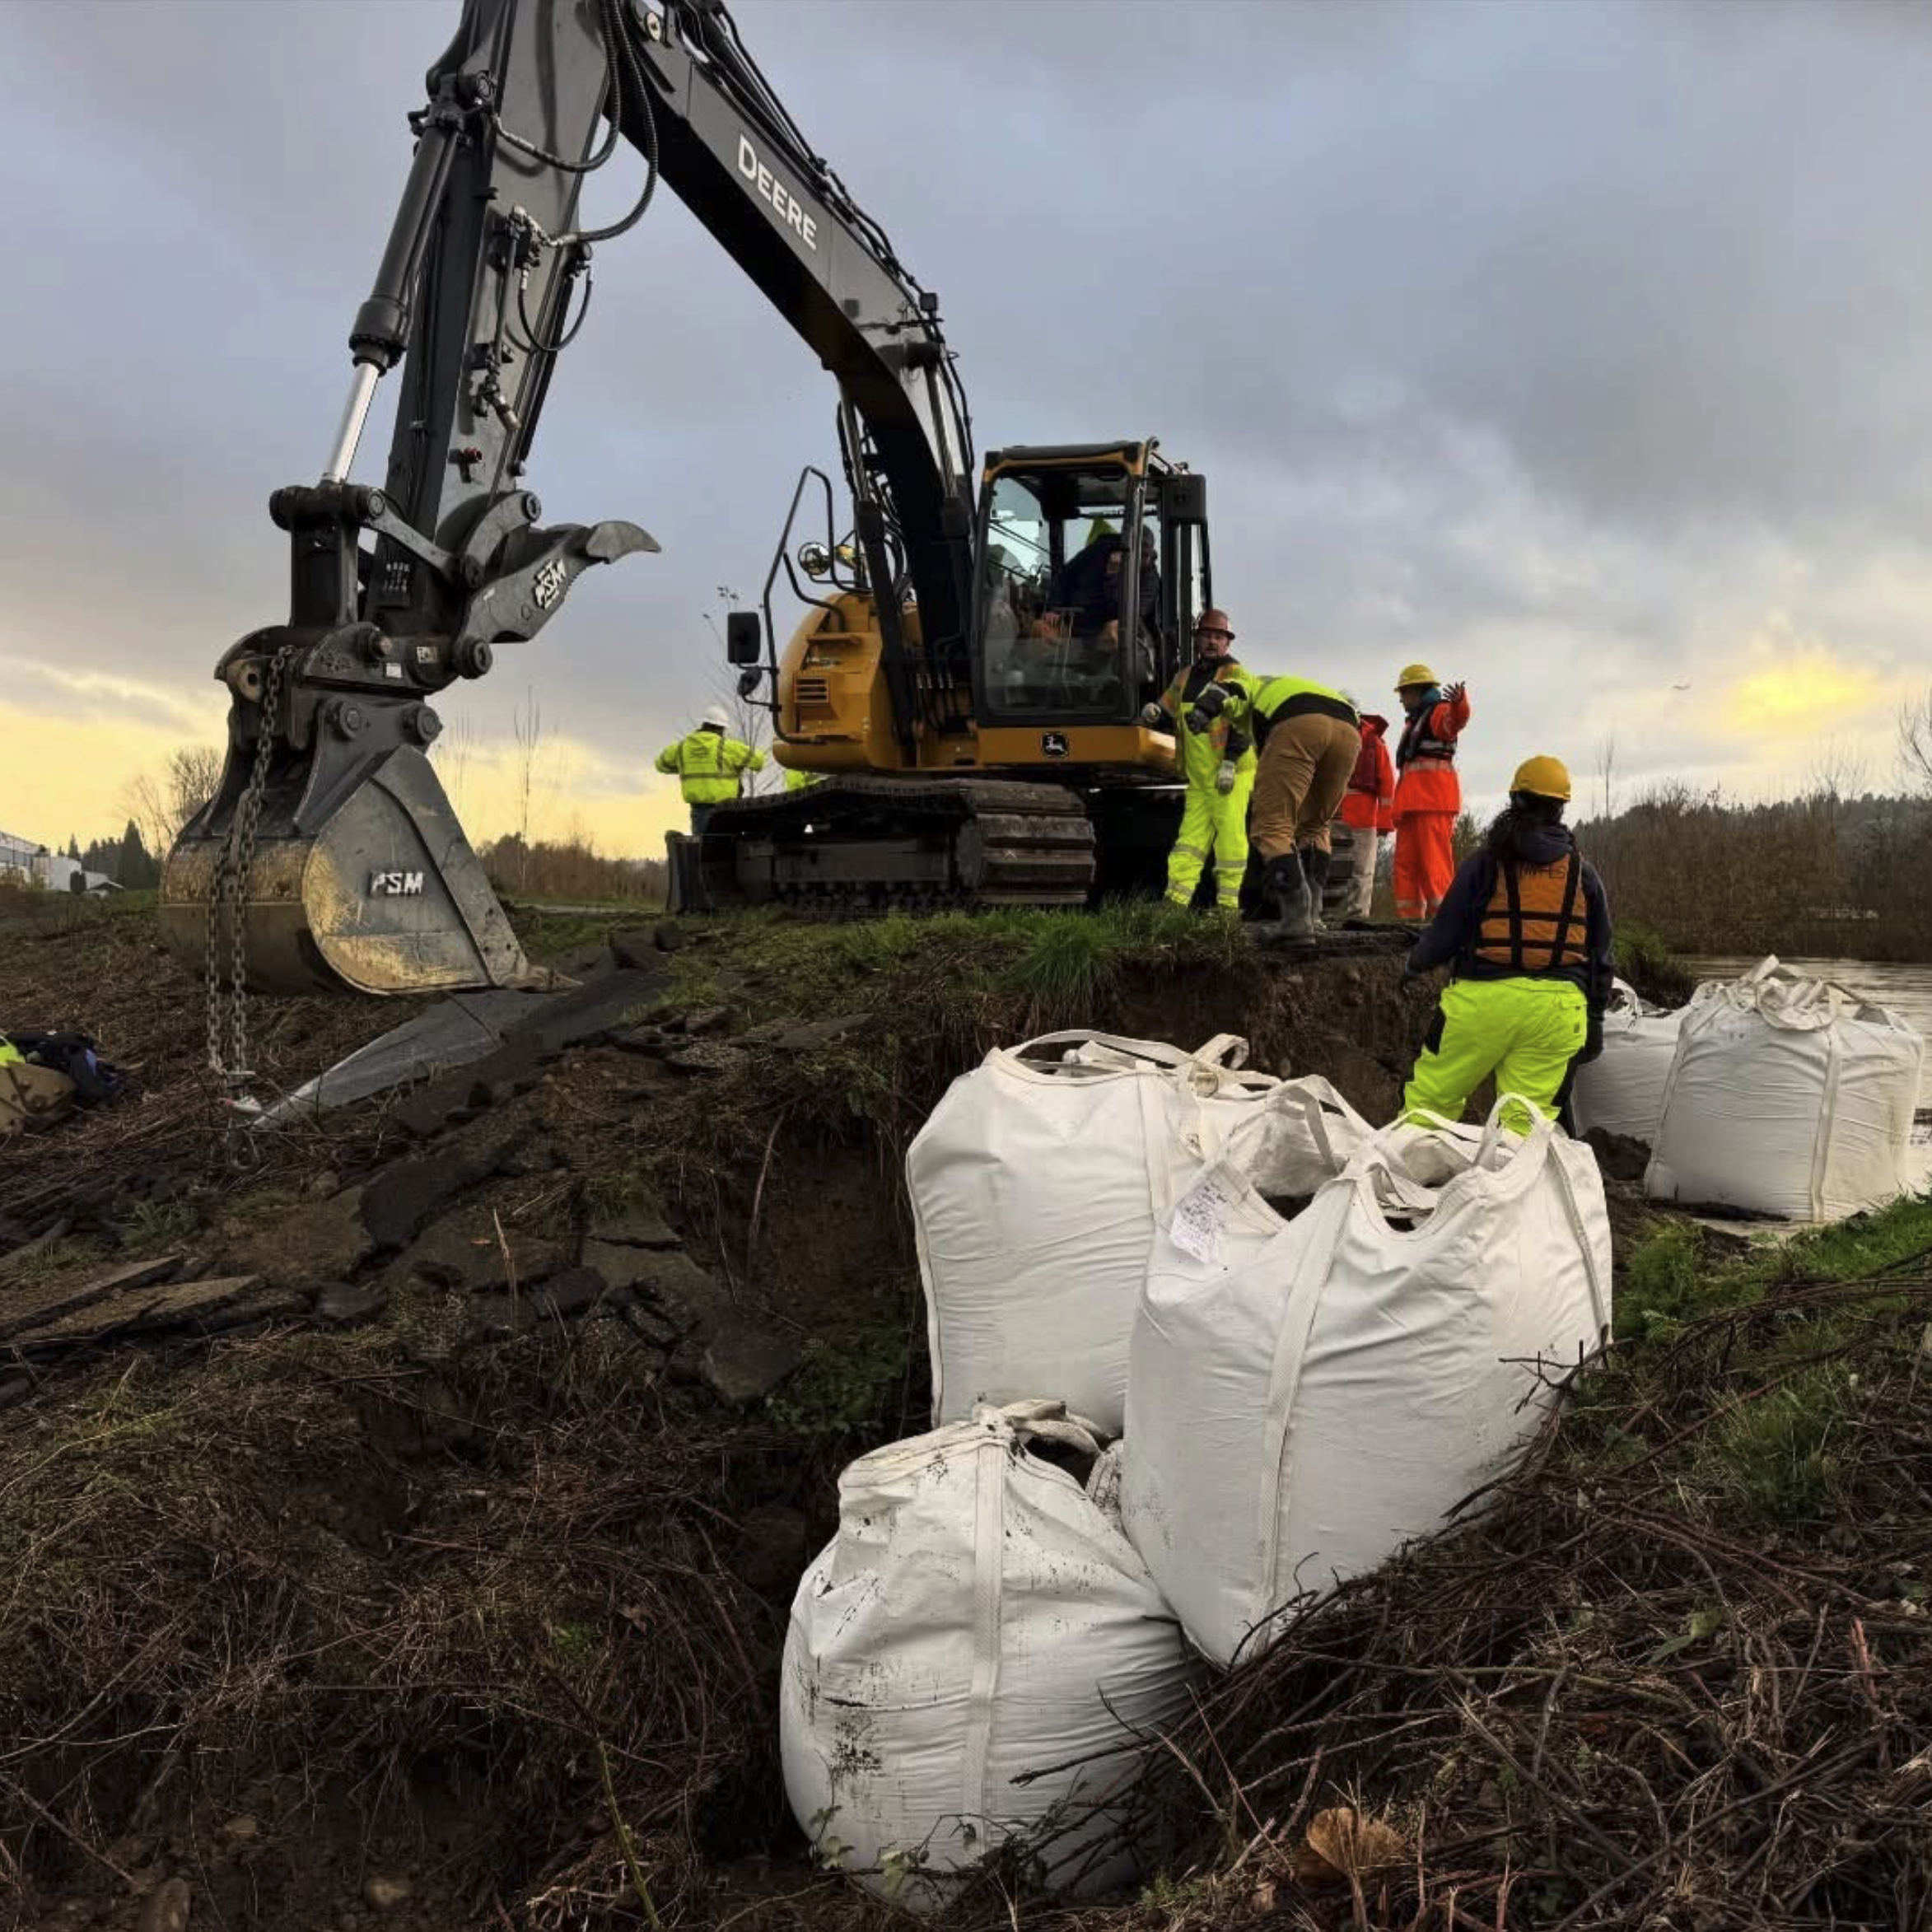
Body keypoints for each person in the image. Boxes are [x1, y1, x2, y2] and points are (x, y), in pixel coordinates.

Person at [1401, 756, 1612, 1133]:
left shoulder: (1487, 862)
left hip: (1482, 1003)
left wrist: (1414, 964)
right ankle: (1511, 1188)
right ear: (1560, 807)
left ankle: (1400, 1184)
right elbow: (1601, 955)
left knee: (1429, 1108)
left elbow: (1446, 933)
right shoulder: (1584, 872)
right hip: (1558, 1012)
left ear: (1515, 800)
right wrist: (1595, 1019)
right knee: (1522, 1129)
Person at [1141, 608, 1258, 912]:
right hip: (1200, 778)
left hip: (1229, 774)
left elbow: (1244, 723)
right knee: (1188, 842)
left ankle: (1227, 908)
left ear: (1227, 643)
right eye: (1207, 635)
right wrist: (1154, 712)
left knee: (1230, 842)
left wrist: (1230, 763)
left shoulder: (1236, 675)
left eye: (1219, 637)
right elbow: (1167, 707)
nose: (1212, 642)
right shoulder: (1185, 677)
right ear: (1197, 640)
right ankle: (1175, 901)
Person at [1239, 671, 1361, 938]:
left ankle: (1295, 922)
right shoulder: (1276, 685)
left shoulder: (1237, 695)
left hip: (1299, 721)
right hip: (1349, 727)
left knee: (1272, 825)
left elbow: (1245, 755)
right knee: (1317, 825)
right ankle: (1313, 917)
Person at [1389, 663, 1471, 922]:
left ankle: (1447, 925)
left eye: (1404, 692)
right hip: (1411, 804)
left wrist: (1460, 704)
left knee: (1435, 867)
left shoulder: (1439, 711)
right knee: (1405, 867)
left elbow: (1455, 722)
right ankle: (1410, 921)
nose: (1401, 698)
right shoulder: (1415, 721)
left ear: (1417, 690)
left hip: (1433, 802)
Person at [654, 703, 765, 835]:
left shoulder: (681, 747)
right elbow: (759, 761)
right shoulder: (727, 747)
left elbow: (660, 765)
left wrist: (688, 767)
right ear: (722, 728)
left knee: (704, 850)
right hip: (726, 812)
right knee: (729, 850)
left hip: (698, 812)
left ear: (703, 725)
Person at [1334, 711, 1394, 922]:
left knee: (1344, 867)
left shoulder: (1334, 735)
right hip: (1350, 815)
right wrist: (1385, 821)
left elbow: (1387, 783)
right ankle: (1353, 914)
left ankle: (1347, 914)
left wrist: (1385, 821)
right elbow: (1387, 783)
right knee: (1359, 869)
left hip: (1341, 814)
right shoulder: (1374, 742)